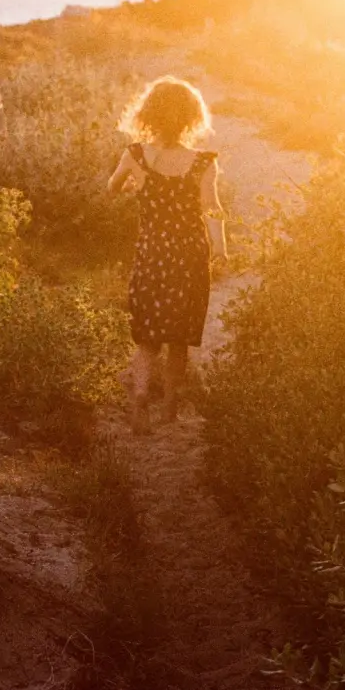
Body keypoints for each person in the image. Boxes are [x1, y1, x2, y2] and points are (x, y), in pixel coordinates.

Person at [106, 76, 227, 433]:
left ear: (148, 114)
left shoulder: (136, 155)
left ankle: (141, 395)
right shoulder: (203, 163)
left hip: (152, 252)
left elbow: (112, 188)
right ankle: (170, 406)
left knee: (147, 338)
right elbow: (212, 209)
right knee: (179, 337)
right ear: (192, 117)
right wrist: (221, 247)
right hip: (190, 253)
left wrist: (131, 184)